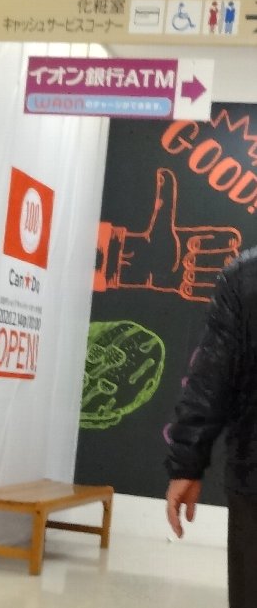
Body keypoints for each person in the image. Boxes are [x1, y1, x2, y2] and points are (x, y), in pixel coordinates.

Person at [165, 246, 257, 607]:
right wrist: (187, 462)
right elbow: (211, 378)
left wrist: (187, 464)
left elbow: (210, 378)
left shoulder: (244, 277)